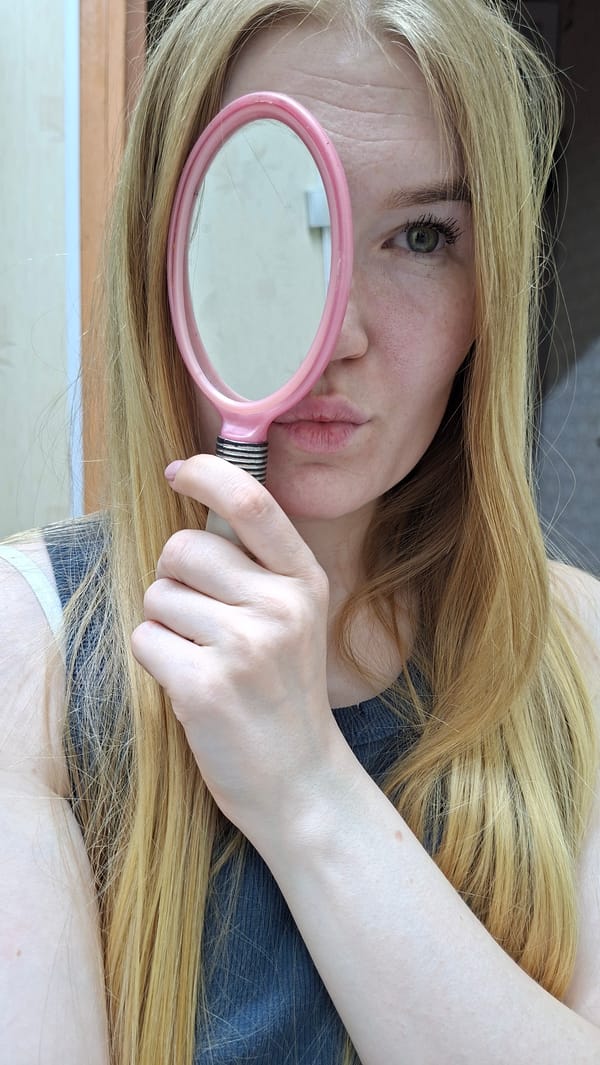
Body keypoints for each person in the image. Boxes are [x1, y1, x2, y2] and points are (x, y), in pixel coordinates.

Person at [1, 0, 599, 1062]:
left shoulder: (578, 658)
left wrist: (305, 785)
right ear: (162, 251)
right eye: (271, 219)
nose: (343, 333)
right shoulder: (24, 656)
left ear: (491, 285)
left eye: (422, 237)